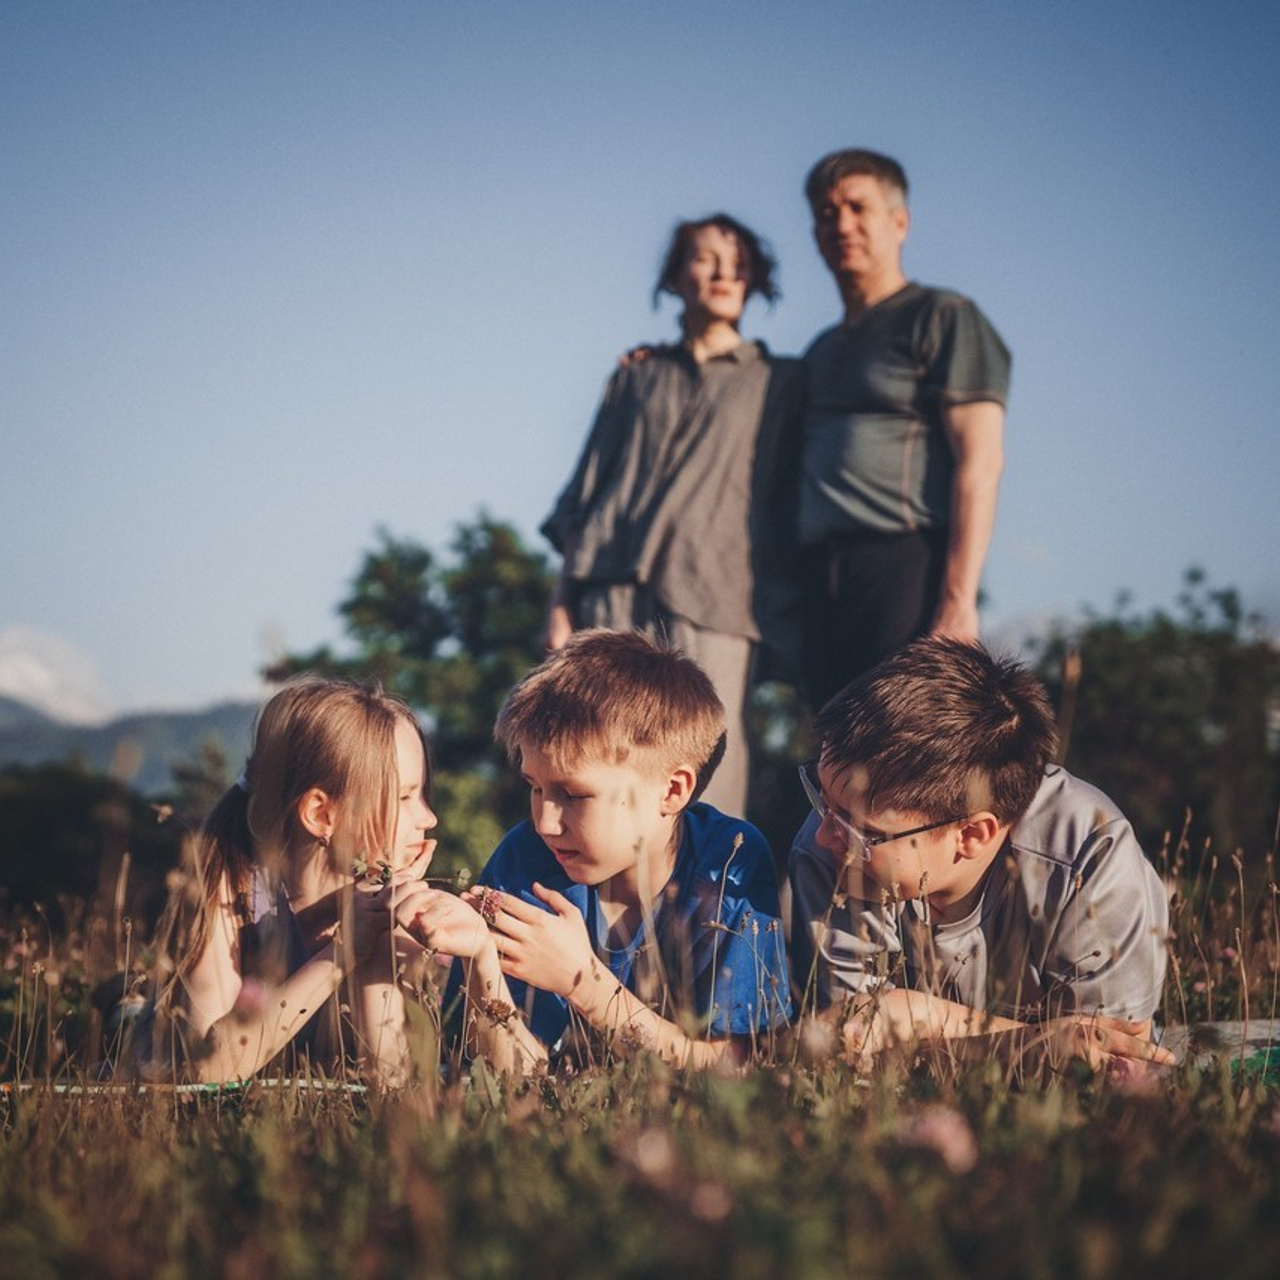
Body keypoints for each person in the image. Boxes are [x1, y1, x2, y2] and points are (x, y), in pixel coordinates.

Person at [789, 636, 1174, 1077]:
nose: (823, 835)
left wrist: (913, 1017)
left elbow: (1112, 1065)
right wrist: (1037, 1045)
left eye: (865, 832)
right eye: (820, 797)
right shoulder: (834, 848)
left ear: (972, 834)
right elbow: (843, 1049)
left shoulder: (1090, 857)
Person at [142, 677, 538, 1084]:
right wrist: (342, 951)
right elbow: (206, 1068)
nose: (429, 818)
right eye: (404, 798)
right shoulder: (232, 887)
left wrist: (380, 935)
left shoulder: (394, 911)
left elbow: (390, 1080)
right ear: (321, 814)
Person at [541, 214, 807, 817]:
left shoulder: (782, 382)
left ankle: (712, 912)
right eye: (705, 257)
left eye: (737, 261)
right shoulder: (635, 375)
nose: (722, 272)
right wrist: (561, 602)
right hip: (612, 592)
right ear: (676, 275)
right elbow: (588, 493)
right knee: (591, 765)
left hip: (718, 598)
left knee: (708, 771)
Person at [453, 629, 792, 1069]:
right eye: (534, 788)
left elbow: (732, 1068)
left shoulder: (728, 862)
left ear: (672, 791)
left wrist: (586, 986)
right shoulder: (527, 858)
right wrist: (479, 961)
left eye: (573, 795)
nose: (544, 822)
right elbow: (502, 1077)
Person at [799, 149, 1011, 708]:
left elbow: (981, 462)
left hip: (904, 566)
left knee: (899, 748)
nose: (841, 224)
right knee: (831, 757)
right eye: (826, 212)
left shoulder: (943, 317)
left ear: (900, 222)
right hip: (821, 575)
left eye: (856, 207)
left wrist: (959, 599)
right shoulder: (819, 351)